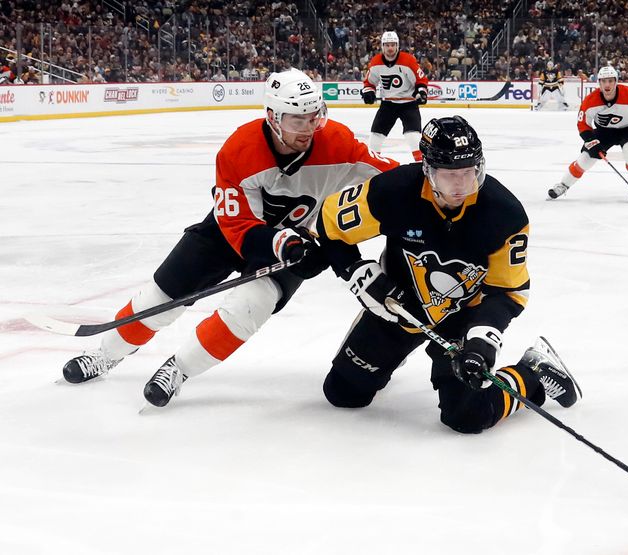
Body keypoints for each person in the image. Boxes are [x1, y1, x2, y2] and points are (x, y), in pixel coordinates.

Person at [61, 68, 399, 408]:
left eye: (314, 117)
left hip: (295, 246)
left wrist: (434, 177)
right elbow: (238, 226)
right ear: (273, 117)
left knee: (247, 309)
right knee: (161, 296)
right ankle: (106, 354)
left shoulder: (337, 142)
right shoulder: (239, 150)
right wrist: (280, 243)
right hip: (228, 232)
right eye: (298, 120)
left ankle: (178, 370)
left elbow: (394, 178)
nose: (309, 128)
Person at [315, 116, 581, 434]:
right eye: (451, 175)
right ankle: (388, 354)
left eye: (469, 172)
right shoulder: (393, 191)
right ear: (428, 170)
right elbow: (327, 227)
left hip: (461, 319)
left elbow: (508, 291)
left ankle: (531, 373)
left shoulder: (503, 213)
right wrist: (358, 272)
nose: (461, 185)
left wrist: (482, 339)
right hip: (398, 306)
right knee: (343, 394)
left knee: (468, 417)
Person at [548, 65, 628, 199]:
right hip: (603, 132)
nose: (607, 85)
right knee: (585, 159)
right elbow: (583, 124)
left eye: (610, 81)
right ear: (599, 83)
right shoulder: (590, 100)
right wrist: (592, 142)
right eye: (603, 81)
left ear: (616, 81)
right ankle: (563, 185)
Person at [361, 31, 429, 161]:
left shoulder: (408, 60)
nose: (390, 48)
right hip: (388, 105)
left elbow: (421, 80)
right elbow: (369, 82)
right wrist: (369, 92)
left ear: (397, 46)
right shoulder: (376, 62)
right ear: (382, 46)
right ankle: (373, 164)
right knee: (376, 136)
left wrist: (421, 92)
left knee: (413, 137)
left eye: (393, 45)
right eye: (387, 45)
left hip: (409, 104)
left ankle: (422, 167)